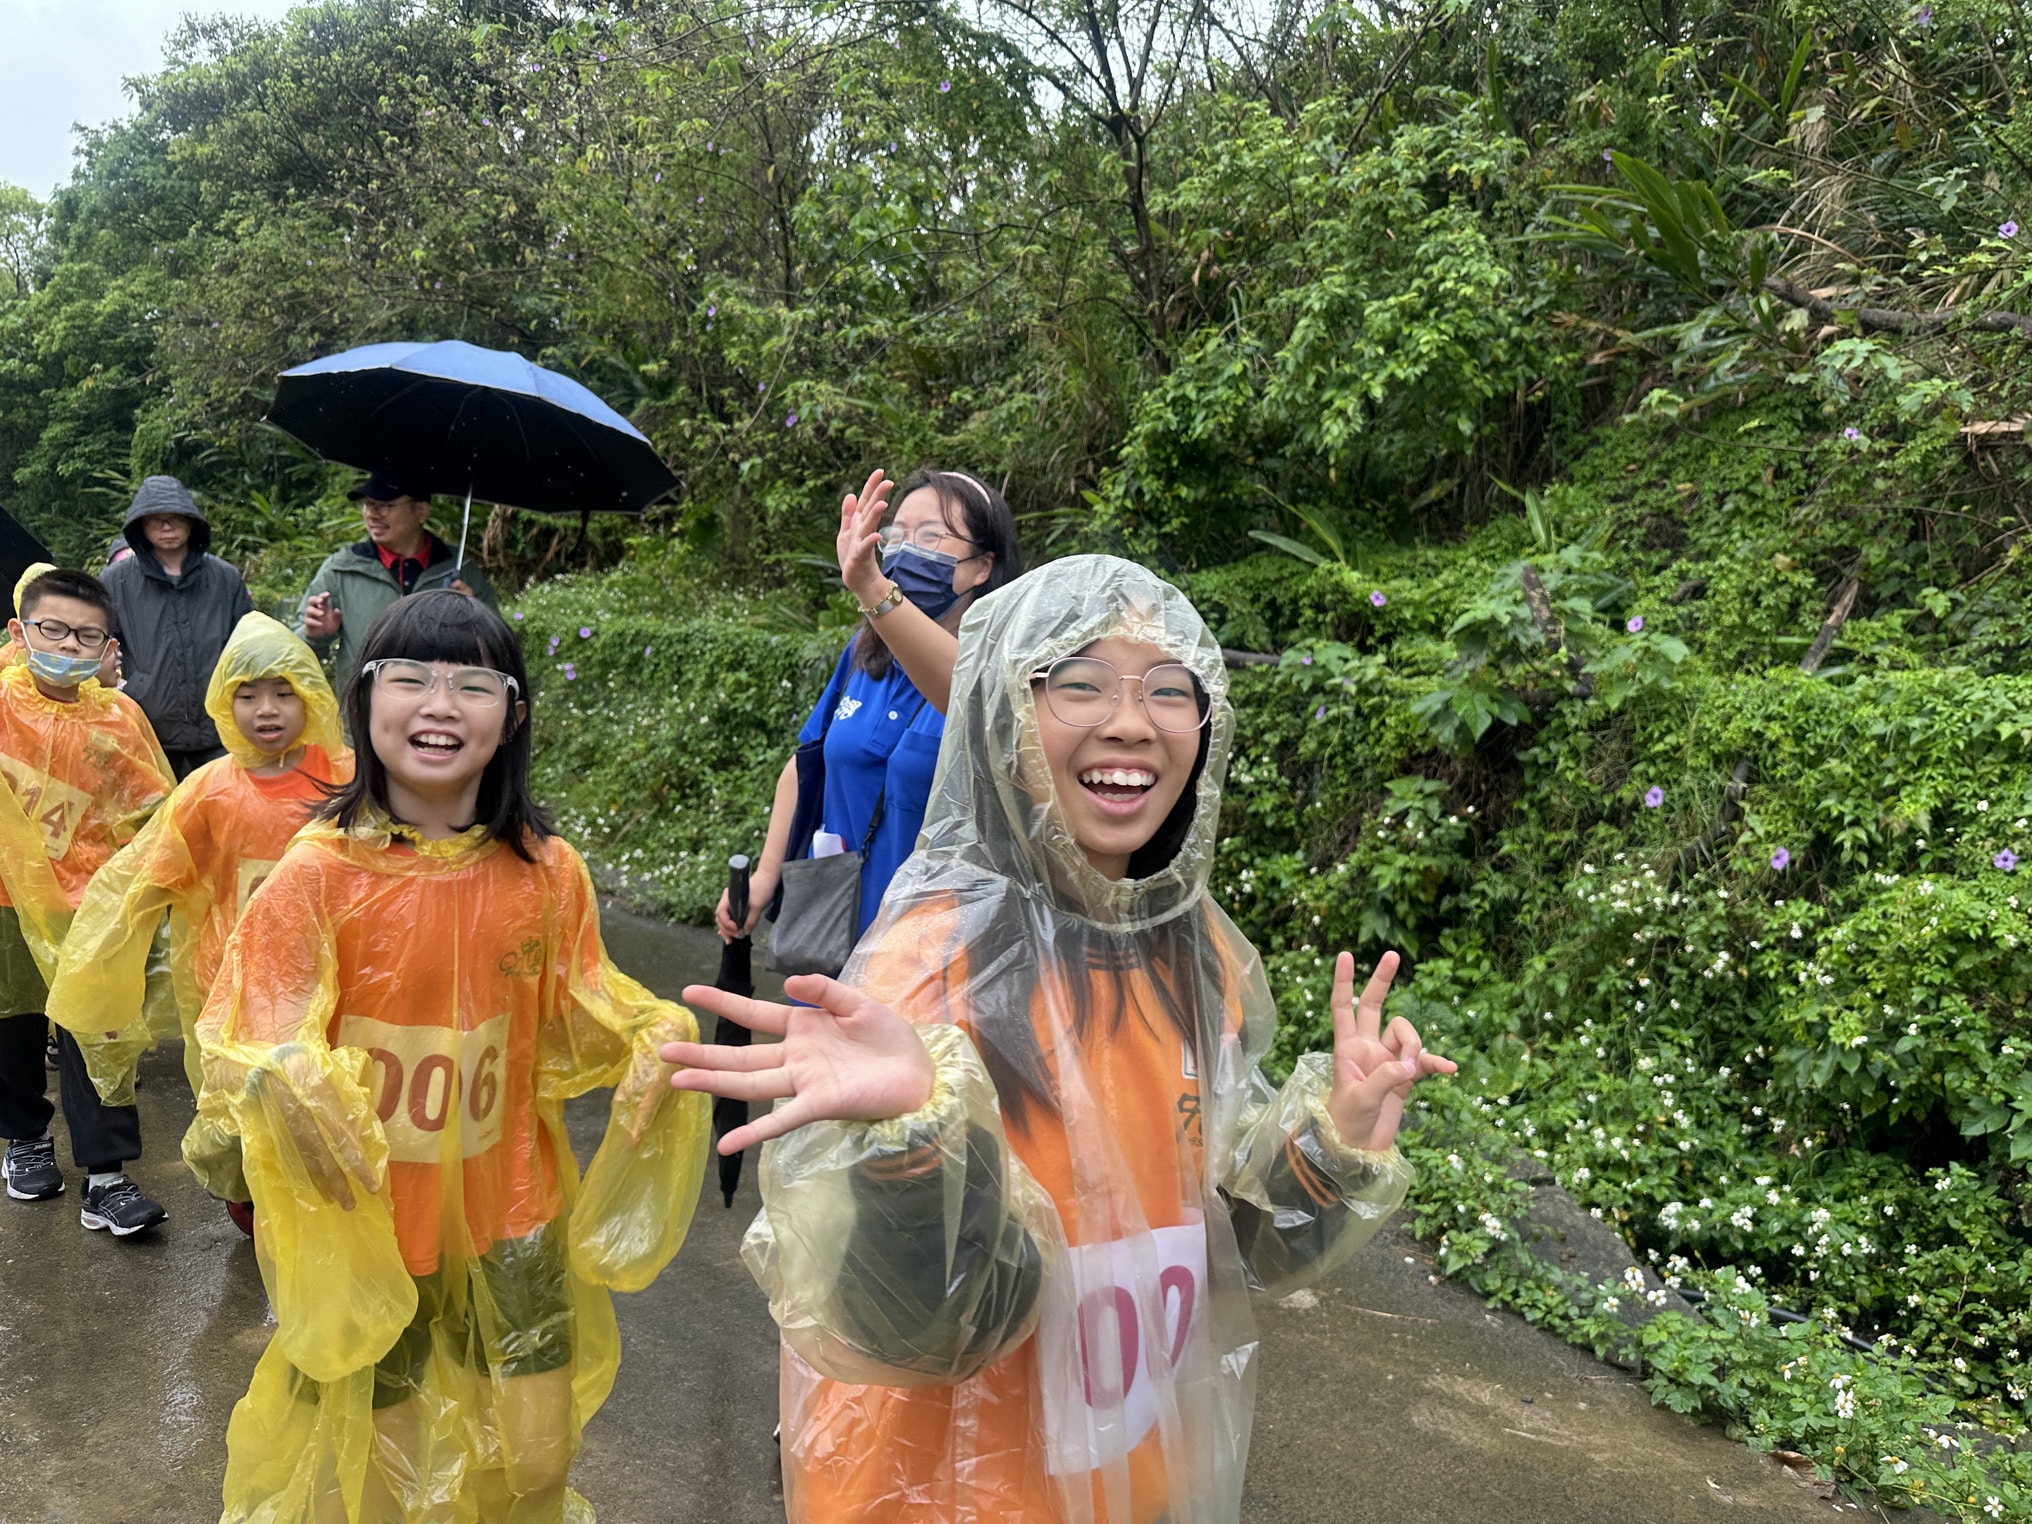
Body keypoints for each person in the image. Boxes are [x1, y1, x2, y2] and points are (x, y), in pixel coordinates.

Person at [667, 555, 1457, 1523]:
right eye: (1078, 683)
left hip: (1140, 1491)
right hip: (949, 1498)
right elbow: (918, 1323)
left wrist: (1332, 1146)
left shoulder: (1197, 955)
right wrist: (912, 1150)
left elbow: (1223, 1244)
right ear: (1001, 714)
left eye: (1168, 690)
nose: (1129, 722)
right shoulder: (933, 964)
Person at [194, 590, 707, 1521]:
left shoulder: (547, 872)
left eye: (474, 683)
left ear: (511, 716)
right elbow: (243, 1032)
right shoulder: (317, 874)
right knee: (392, 1476)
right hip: (370, 1220)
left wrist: (653, 1037)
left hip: (512, 1201)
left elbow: (583, 1010)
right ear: (362, 701)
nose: (439, 704)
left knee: (534, 1459)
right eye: (410, 678)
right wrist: (282, 1074)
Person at [47, 612, 353, 1236]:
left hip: (331, 974)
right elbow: (150, 873)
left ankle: (315, 1201)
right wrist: (107, 948)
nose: (266, 709)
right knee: (242, 1099)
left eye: (283, 692)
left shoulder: (347, 779)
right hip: (232, 981)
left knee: (323, 1092)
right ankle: (250, 1195)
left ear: (311, 696)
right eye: (247, 694)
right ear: (223, 702)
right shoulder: (210, 789)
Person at [716, 467, 1022, 947]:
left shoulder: (999, 677)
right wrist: (765, 876)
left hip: (928, 953)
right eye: (895, 536)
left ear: (983, 566)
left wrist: (870, 588)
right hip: (830, 932)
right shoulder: (863, 654)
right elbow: (805, 767)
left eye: (930, 536)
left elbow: (967, 696)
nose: (904, 552)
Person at [0, 566, 174, 1237]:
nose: (67, 647)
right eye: (53, 631)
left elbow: (154, 808)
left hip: (91, 906)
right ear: (21, 631)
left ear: (108, 649)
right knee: (12, 1024)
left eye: (85, 637)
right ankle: (25, 1140)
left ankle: (107, 1177)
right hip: (8, 901)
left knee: (99, 1034)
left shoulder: (119, 719)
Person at [101, 475, 255, 779]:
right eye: (156, 520)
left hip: (218, 725)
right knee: (157, 818)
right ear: (141, 526)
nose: (166, 527)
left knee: (222, 812)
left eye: (175, 518)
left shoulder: (224, 578)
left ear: (191, 522)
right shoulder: (116, 581)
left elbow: (248, 646)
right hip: (148, 726)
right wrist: (130, 689)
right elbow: (103, 646)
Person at [294, 470, 498, 690]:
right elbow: (293, 652)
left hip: (438, 711)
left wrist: (474, 621)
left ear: (421, 511)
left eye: (385, 505)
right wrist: (314, 636)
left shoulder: (461, 572)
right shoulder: (341, 569)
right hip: (365, 718)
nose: (372, 514)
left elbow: (496, 650)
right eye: (367, 504)